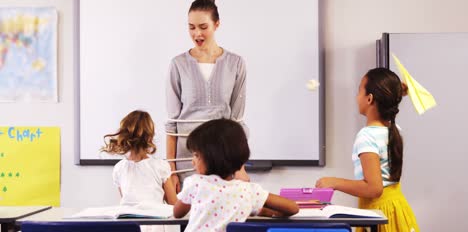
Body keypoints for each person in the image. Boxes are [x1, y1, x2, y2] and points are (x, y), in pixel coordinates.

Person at [315, 68, 419, 232]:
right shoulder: (394, 129)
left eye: (359, 92)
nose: (356, 98)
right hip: (396, 209)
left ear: (369, 99)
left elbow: (374, 188)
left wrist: (334, 182)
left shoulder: (366, 136)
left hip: (379, 215)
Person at [166, 0, 249, 192]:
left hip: (224, 160)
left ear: (217, 24)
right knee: (189, 221)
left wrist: (240, 168)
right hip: (188, 161)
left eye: (203, 27)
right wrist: (171, 170)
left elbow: (236, 122)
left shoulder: (235, 63)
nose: (197, 33)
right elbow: (171, 123)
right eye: (191, 27)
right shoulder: (178, 64)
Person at [173, 118, 299, 231]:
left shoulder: (195, 183)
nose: (192, 161)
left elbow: (177, 213)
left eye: (196, 155)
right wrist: (259, 210)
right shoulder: (248, 190)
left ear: (213, 157)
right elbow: (292, 208)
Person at [102, 110, 177, 232]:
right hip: (155, 225)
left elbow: (126, 200)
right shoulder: (160, 166)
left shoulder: (118, 168)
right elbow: (173, 203)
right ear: (149, 137)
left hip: (128, 226)